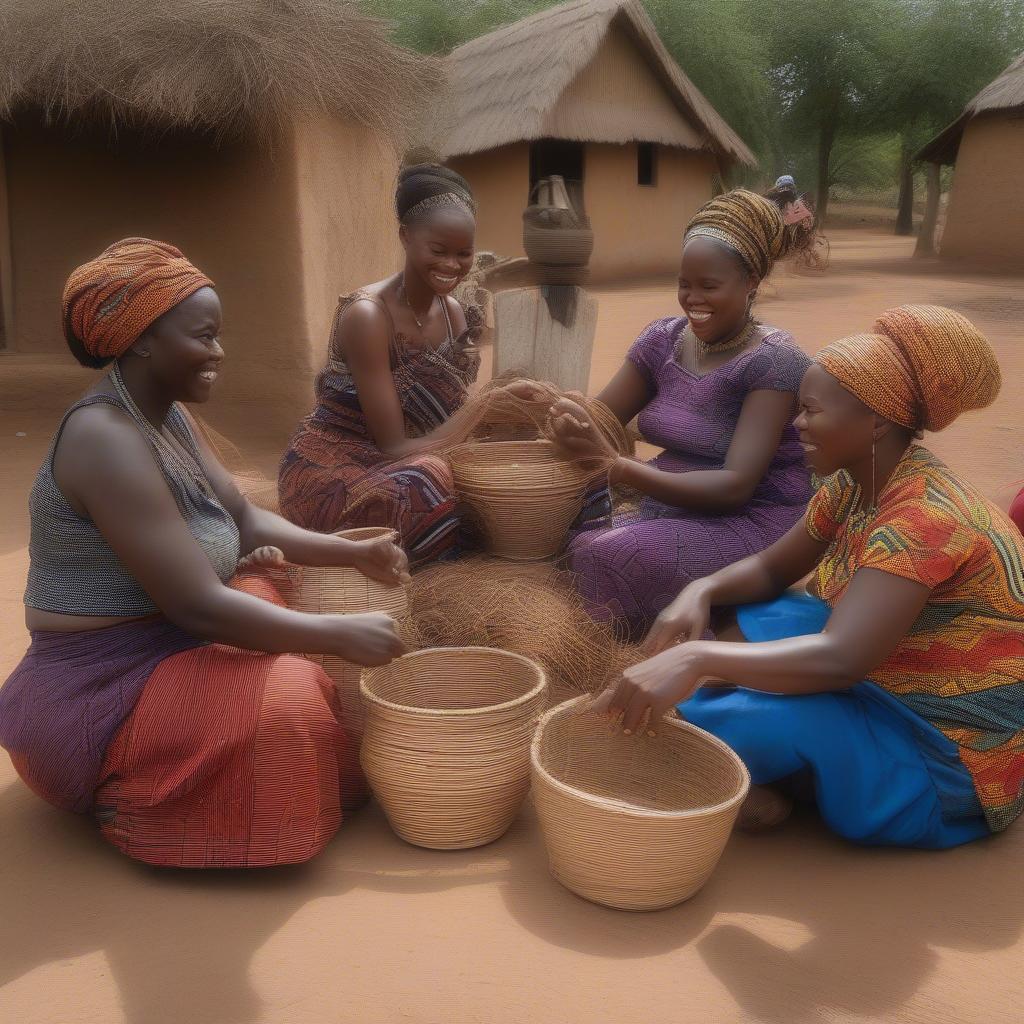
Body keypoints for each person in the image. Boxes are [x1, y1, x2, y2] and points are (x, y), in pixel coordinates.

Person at [0, 239, 408, 868]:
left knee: (273, 587)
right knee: (292, 691)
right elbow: (196, 606)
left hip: (167, 639)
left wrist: (349, 554)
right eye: (203, 336)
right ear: (141, 340)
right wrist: (339, 635)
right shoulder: (103, 437)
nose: (218, 352)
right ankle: (141, 804)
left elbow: (241, 517)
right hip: (97, 685)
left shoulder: (165, 417)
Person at [595, 305, 1024, 849]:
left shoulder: (926, 517)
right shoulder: (855, 481)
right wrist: (698, 589)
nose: (797, 427)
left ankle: (782, 768)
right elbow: (774, 567)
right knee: (775, 613)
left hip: (948, 755)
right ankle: (780, 764)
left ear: (876, 423)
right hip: (895, 673)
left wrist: (697, 657)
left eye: (812, 412)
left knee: (754, 715)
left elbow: (843, 657)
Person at [542, 189, 814, 635]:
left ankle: (668, 645)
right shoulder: (664, 341)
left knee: (603, 553)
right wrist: (562, 411)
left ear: (750, 282)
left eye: (710, 286)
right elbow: (602, 418)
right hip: (670, 499)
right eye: (685, 284)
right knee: (563, 533)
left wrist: (621, 468)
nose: (692, 300)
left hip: (755, 521)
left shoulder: (772, 362)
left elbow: (734, 488)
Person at [278, 163, 481, 565]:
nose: (452, 266)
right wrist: (483, 416)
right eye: (438, 251)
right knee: (428, 482)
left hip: (421, 456)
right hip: (334, 471)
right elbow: (393, 446)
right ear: (405, 236)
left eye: (464, 253)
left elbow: (452, 416)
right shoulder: (368, 316)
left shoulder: (454, 312)